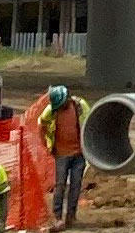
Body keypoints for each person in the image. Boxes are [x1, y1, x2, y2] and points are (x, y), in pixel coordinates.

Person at [36, 83, 86, 227]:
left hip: (79, 153)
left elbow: (89, 123)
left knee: (75, 185)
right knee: (60, 185)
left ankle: (71, 216)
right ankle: (57, 217)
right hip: (61, 154)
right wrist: (44, 144)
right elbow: (41, 124)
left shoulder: (79, 107)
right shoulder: (52, 110)